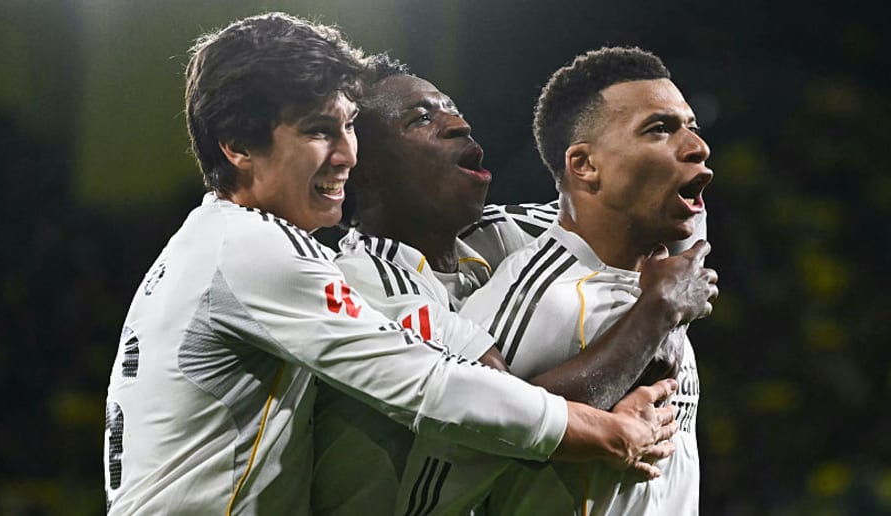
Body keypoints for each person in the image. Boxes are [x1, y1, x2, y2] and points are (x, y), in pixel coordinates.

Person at [102, 15, 679, 515]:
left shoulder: (217, 243)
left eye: (349, 124)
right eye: (318, 131)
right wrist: (609, 431)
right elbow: (431, 388)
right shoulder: (257, 252)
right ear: (237, 146)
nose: (347, 153)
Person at [311, 55, 717, 515]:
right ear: (363, 167)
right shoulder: (368, 286)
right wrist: (655, 318)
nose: (458, 123)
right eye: (422, 118)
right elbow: (496, 407)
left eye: (450, 107)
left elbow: (637, 208)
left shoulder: (504, 233)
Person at [457, 46, 716, 515]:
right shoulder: (540, 297)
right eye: (659, 129)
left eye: (691, 128)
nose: (697, 146)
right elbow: (477, 437)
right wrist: (658, 313)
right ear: (585, 165)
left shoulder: (665, 277)